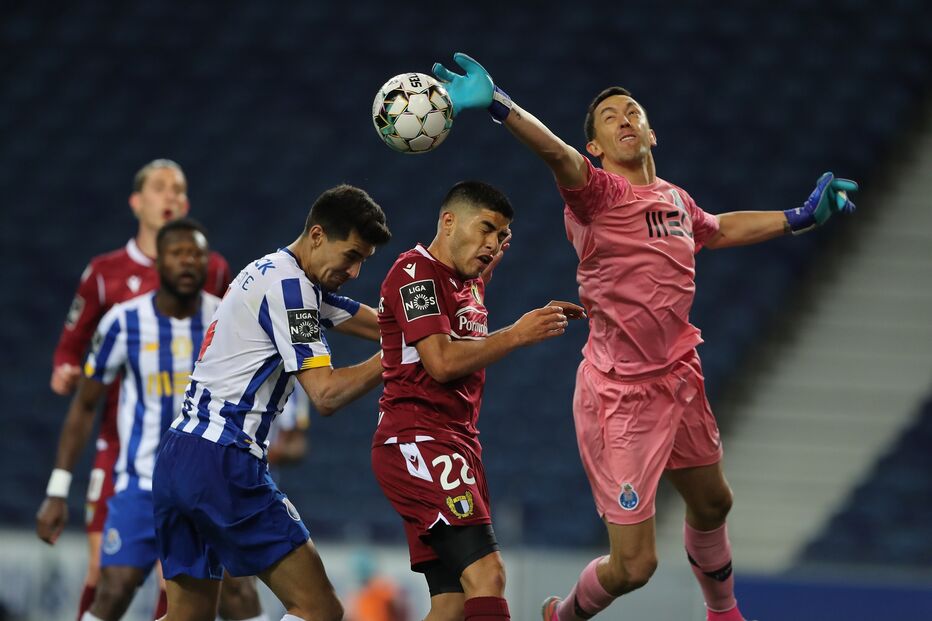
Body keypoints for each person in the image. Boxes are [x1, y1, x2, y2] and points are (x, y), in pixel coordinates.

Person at [430, 53, 859, 621]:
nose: (624, 117)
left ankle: (723, 613)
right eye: (609, 117)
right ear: (597, 151)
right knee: (634, 567)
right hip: (621, 397)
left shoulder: (676, 200)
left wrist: (801, 216)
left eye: (632, 110)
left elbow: (719, 227)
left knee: (713, 501)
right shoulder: (598, 196)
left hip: (679, 375)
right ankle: (564, 616)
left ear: (652, 131)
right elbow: (557, 154)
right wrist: (501, 105)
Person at [152, 184, 391, 621]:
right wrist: (398, 356)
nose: (355, 271)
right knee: (319, 609)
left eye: (363, 261)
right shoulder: (292, 289)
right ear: (317, 235)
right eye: (351, 255)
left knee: (187, 616)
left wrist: (430, 331)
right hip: (223, 461)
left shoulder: (272, 271)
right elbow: (326, 394)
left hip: (177, 456)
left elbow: (374, 322)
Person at [371, 181, 585, 621]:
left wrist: (492, 261)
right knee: (489, 575)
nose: (493, 243)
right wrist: (518, 333)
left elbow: (475, 282)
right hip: (419, 441)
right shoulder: (415, 273)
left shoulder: (469, 281)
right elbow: (443, 362)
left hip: (457, 444)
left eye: (501, 236)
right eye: (486, 228)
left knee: (452, 606)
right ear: (448, 222)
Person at [45, 159, 233, 621]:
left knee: (183, 581)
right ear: (137, 201)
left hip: (190, 448)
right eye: (160, 188)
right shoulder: (106, 274)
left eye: (178, 190)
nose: (170, 196)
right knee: (105, 573)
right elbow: (71, 349)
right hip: (120, 444)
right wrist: (65, 368)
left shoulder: (212, 273)